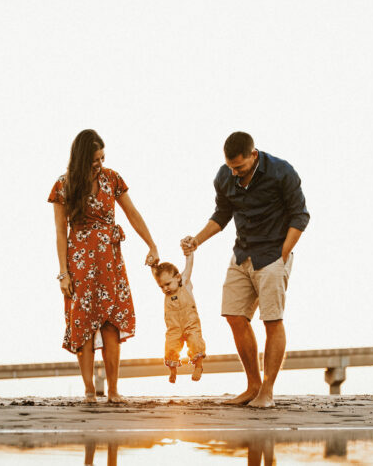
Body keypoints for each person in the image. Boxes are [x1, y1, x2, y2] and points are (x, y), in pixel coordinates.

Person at [182, 131, 309, 408]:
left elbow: (300, 216)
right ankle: (253, 385)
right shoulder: (224, 176)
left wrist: (282, 255)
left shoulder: (282, 172)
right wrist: (197, 240)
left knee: (272, 320)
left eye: (239, 167)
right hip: (242, 253)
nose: (234, 172)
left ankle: (267, 392)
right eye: (230, 167)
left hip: (273, 255)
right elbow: (221, 215)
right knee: (234, 315)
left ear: (253, 155)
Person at [48, 129, 159, 403]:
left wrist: (151, 244)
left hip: (110, 261)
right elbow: (60, 233)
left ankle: (113, 391)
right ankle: (89, 391)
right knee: (83, 324)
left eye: (102, 158)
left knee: (112, 323)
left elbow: (132, 213)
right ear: (81, 158)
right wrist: (63, 273)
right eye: (95, 159)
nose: (99, 163)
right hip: (79, 263)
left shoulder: (112, 178)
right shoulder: (63, 185)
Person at [151, 260, 206, 383]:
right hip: (174, 328)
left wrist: (189, 254)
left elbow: (189, 265)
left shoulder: (185, 284)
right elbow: (155, 274)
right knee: (170, 348)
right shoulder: (167, 293)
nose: (165, 288)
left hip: (190, 324)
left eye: (168, 284)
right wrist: (152, 264)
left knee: (195, 342)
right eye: (161, 287)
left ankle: (198, 366)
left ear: (178, 277)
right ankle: (173, 371)